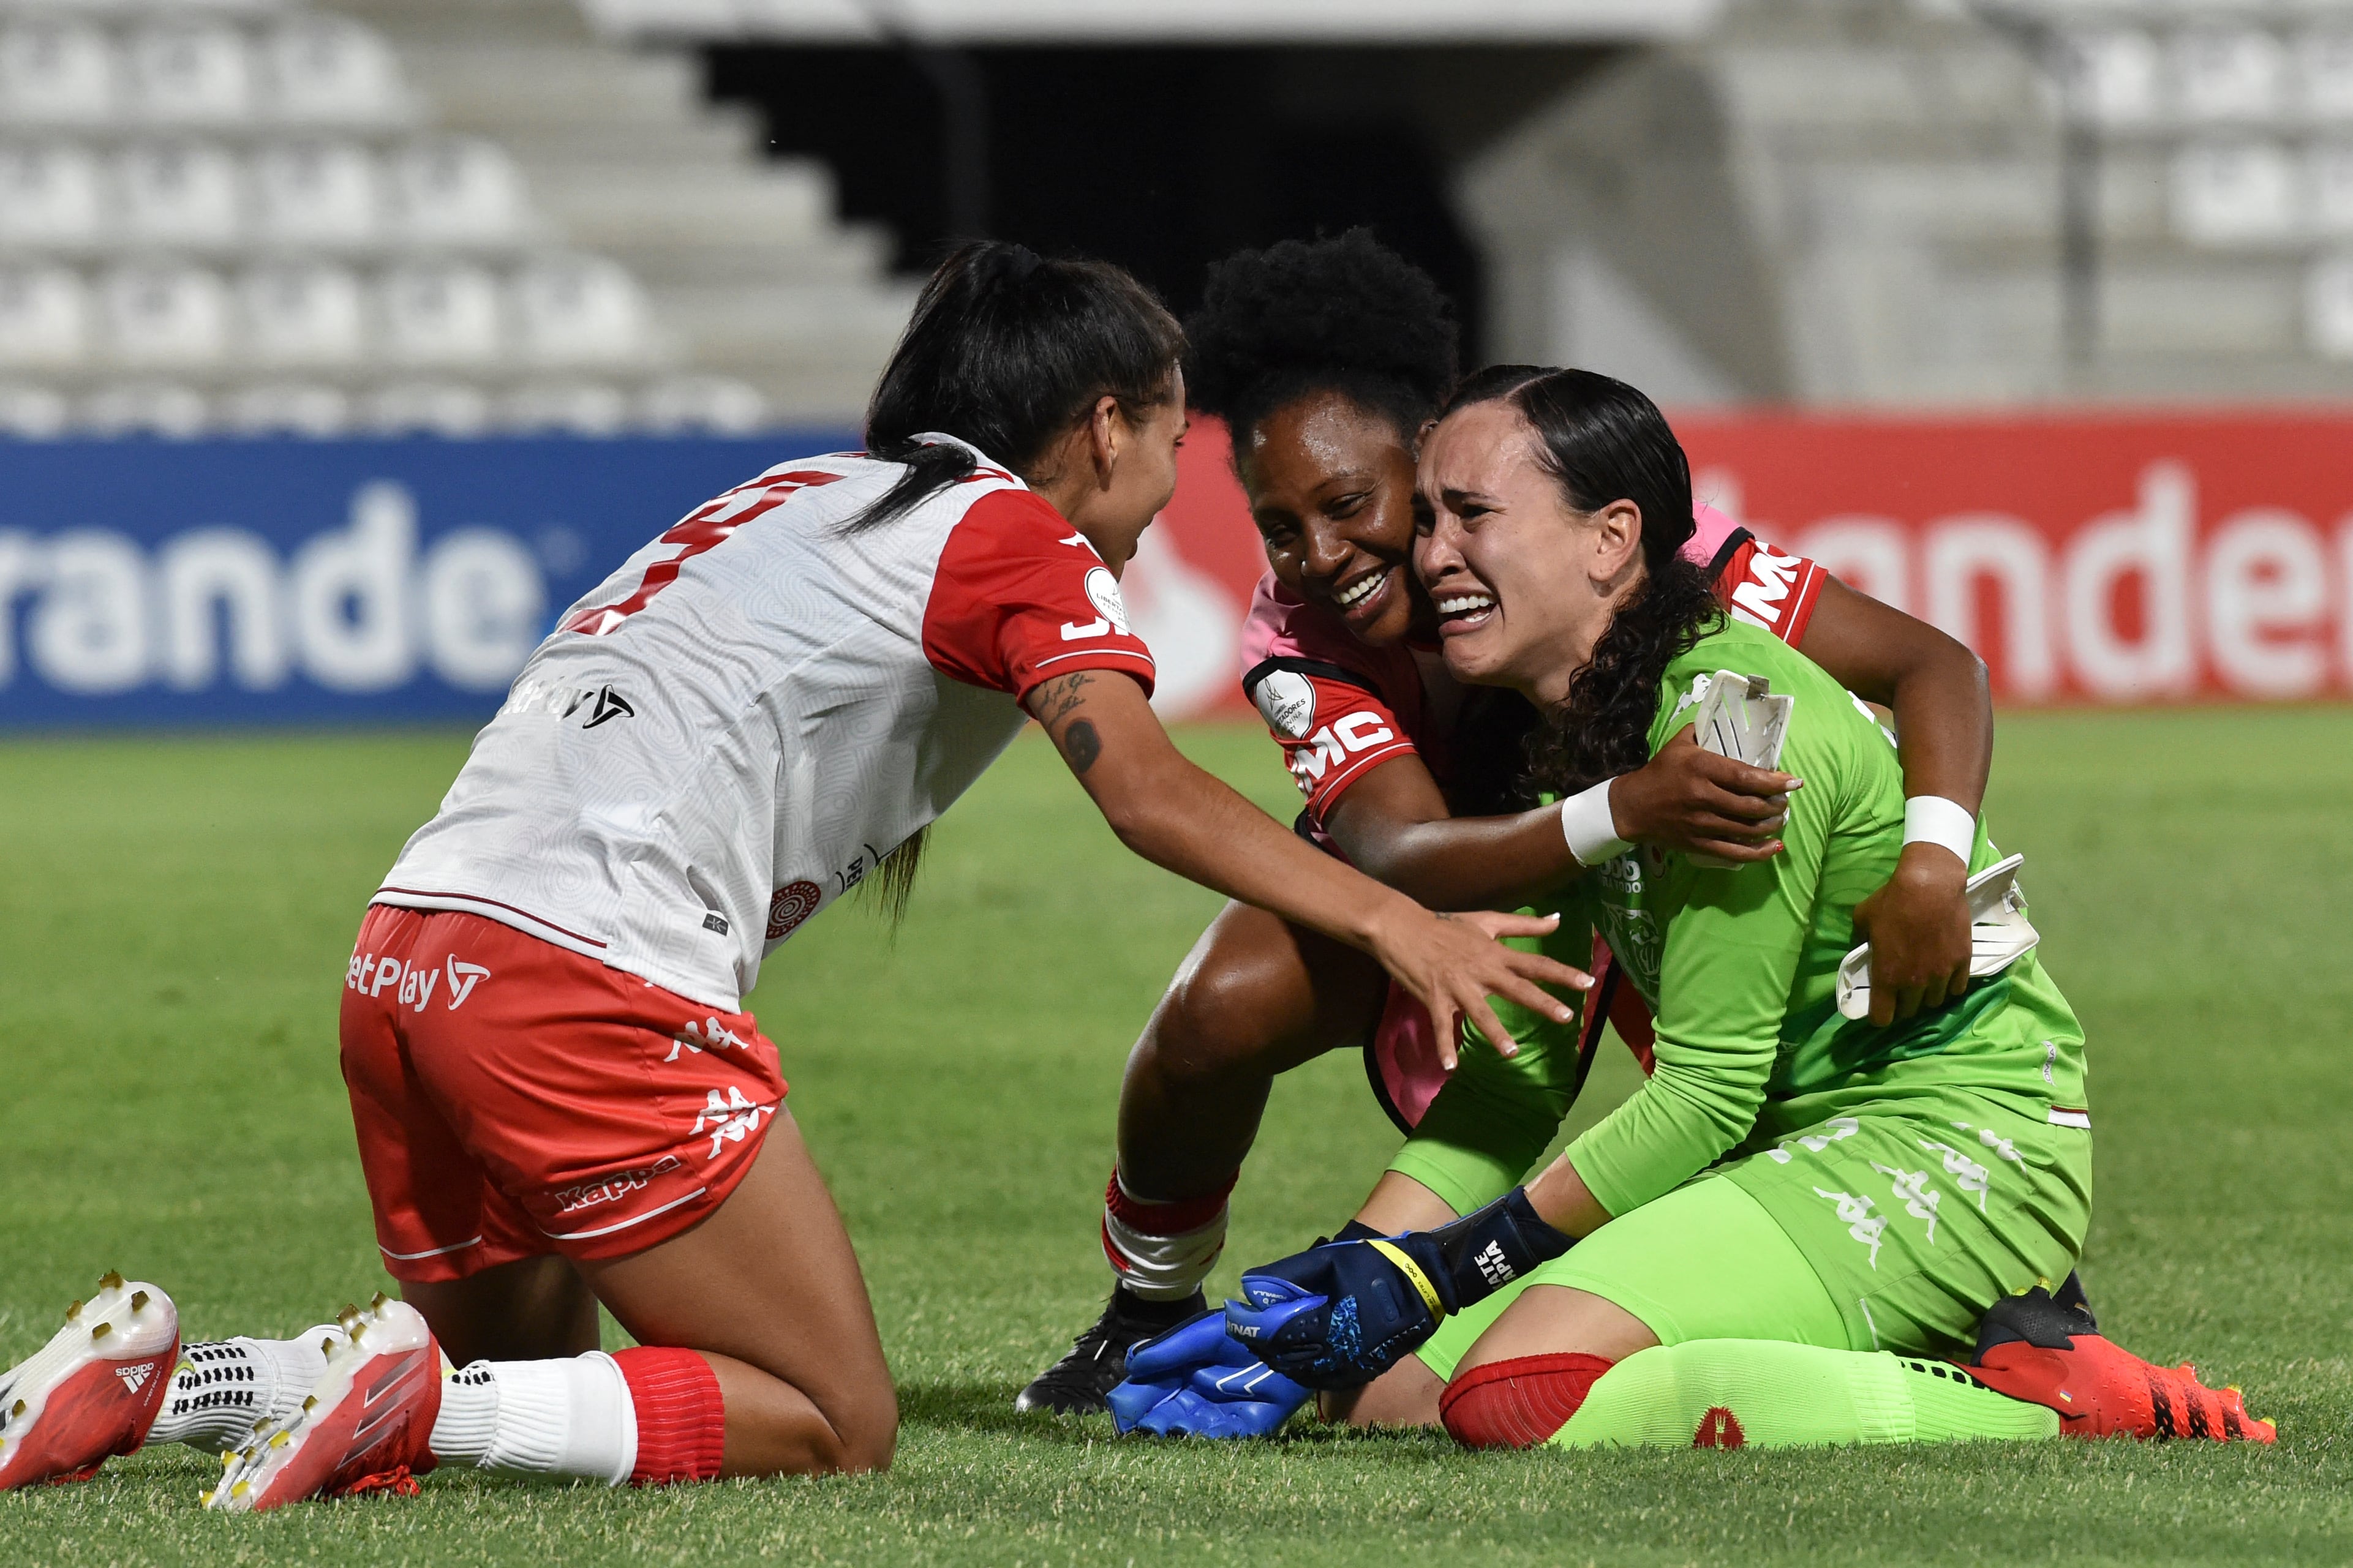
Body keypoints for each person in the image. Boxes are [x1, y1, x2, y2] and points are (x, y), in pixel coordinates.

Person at [0, 243, 1591, 1507]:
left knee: (521, 1375)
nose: (1178, 480)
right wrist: (1397, 917)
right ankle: (402, 1387)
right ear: (1103, 422)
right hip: (579, 988)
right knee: (830, 1417)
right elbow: (1148, 788)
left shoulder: (790, 496)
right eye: (1175, 433)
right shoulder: (1008, 535)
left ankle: (171, 1378)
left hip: (410, 965)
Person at [1018, 231, 2011, 1418]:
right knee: (1220, 1016)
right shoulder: (1304, 639)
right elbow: (1398, 857)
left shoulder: (1656, 579)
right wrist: (1362, 1277)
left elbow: (1930, 661)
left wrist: (1933, 863)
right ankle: (1148, 1312)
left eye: (1354, 504)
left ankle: (1959, 1279)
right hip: (1485, 873)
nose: (1324, 556)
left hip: (1649, 860)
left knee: (1712, 1110)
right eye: (1282, 528)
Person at [1195, 365, 2273, 1448]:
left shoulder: (1737, 732)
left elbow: (1705, 1095)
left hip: (1958, 1145)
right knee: (1375, 1390)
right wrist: (1351, 1273)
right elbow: (1515, 1082)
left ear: (1610, 539)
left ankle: (2049, 1405)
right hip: (1780, 1159)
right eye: (1426, 518)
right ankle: (1882, 1341)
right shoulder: (1569, 743)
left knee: (1511, 1392)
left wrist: (1449, 1269)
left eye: (1470, 516)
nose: (1431, 555)